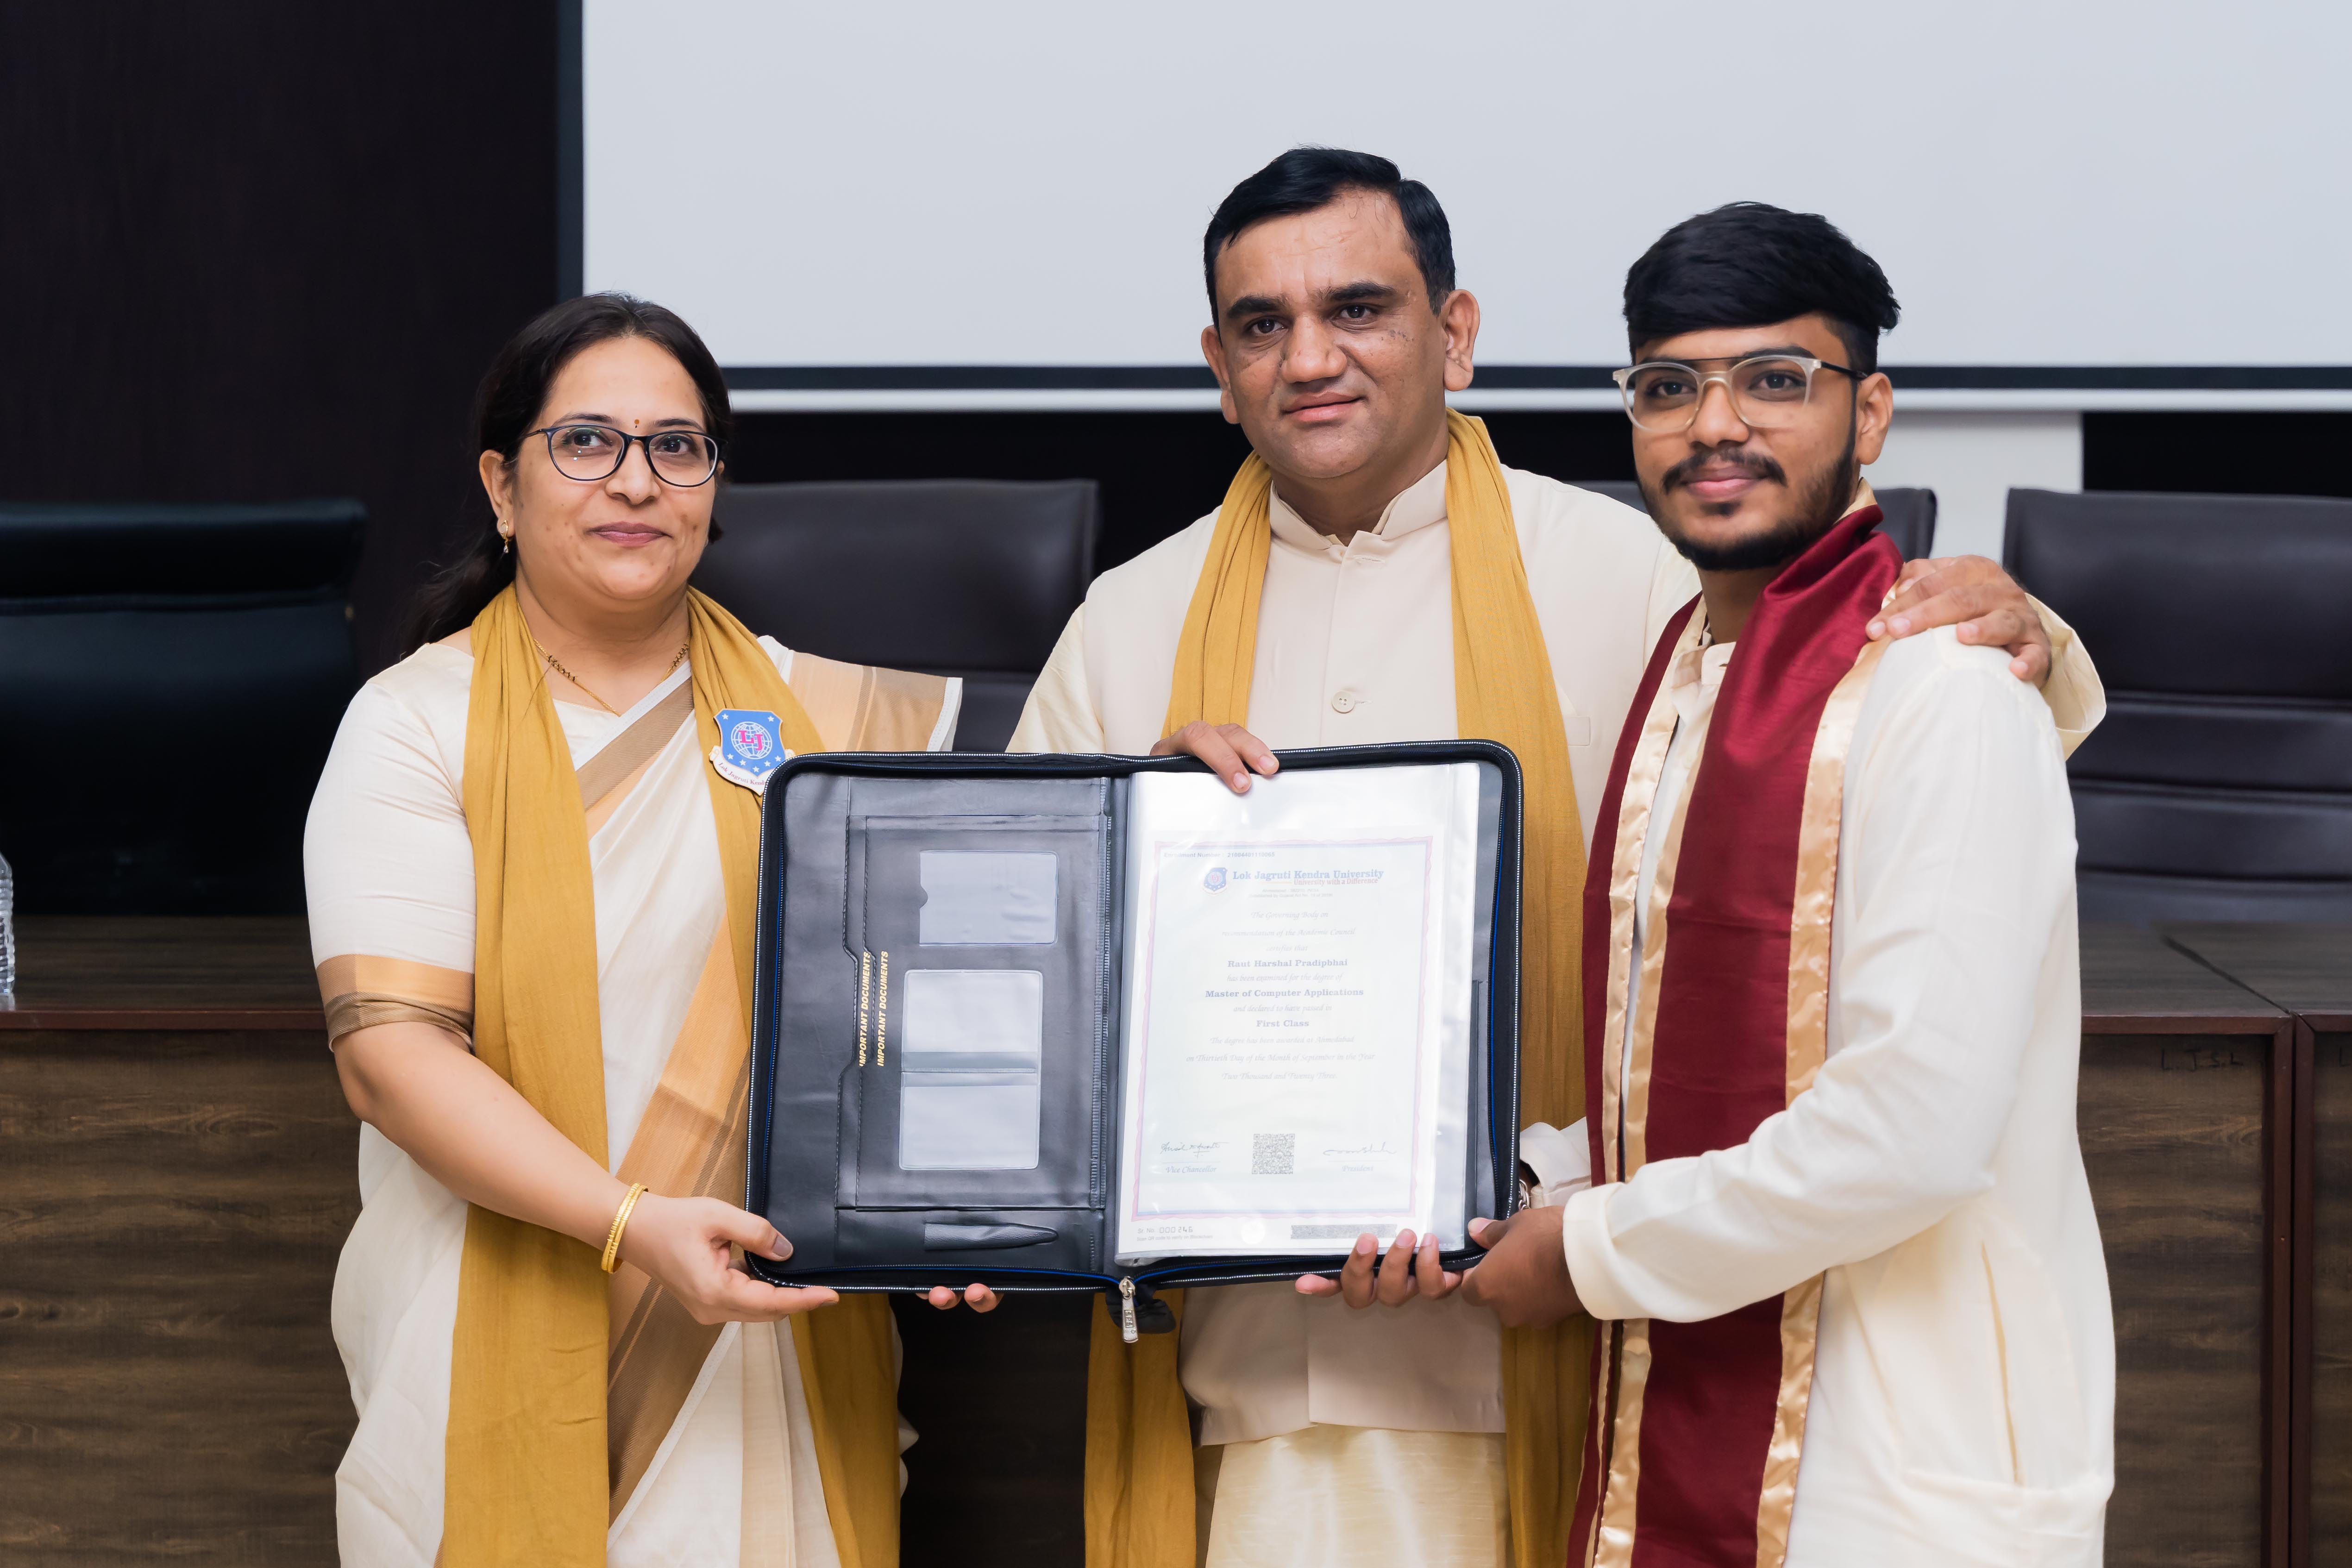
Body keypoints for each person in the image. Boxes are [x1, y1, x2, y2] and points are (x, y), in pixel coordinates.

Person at [1011, 150, 2105, 1568]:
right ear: (1220, 368)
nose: (1312, 357)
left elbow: (1865, 742)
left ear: (1456, 333)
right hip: (1254, 1377)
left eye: (1360, 308)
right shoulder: (1125, 623)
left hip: (1578, 1369)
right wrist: (1137, 863)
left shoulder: (1645, 580)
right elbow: (1025, 996)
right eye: (1265, 325)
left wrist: (2030, 640)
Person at [1460, 204, 2114, 1565]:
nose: (1715, 426)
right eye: (1668, 387)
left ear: (1869, 412)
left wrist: (1582, 1252)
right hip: (1706, 1404)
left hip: (1896, 1462)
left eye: (1774, 379)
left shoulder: (1950, 690)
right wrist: (1505, 1192)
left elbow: (1909, 1132)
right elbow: (1673, 1072)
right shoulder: (1684, 683)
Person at [306, 293, 995, 1568]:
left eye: (677, 446)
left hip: (769, 1334)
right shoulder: (413, 726)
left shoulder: (830, 722)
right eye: (587, 442)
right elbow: (391, 1058)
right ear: (502, 487)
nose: (636, 480)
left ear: (712, 484)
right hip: (486, 1313)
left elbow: (974, 976)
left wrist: (963, 1203)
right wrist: (633, 1224)